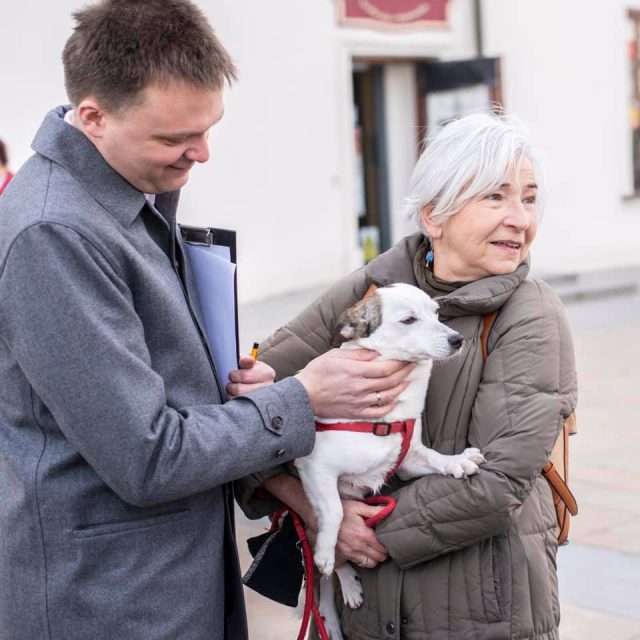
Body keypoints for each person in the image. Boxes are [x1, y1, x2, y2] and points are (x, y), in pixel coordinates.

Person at [0, 2, 415, 639]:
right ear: (92, 117)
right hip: (112, 602)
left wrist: (234, 387)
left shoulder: (123, 191)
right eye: (174, 138)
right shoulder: (55, 232)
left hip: (157, 579)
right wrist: (298, 400)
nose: (202, 152)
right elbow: (146, 456)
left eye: (208, 126)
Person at [236, 112, 578, 640]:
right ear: (433, 215)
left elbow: (497, 481)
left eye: (528, 199)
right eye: (495, 197)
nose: (519, 219)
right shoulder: (371, 292)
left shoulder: (531, 314)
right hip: (369, 617)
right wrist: (314, 505)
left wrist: (362, 528)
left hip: (481, 616)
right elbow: (253, 409)